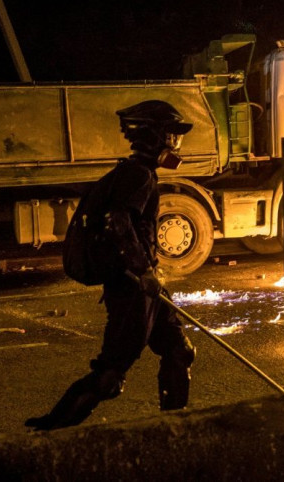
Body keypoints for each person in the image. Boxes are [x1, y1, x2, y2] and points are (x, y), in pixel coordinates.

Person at [26, 100, 196, 431]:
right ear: (155, 136)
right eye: (173, 134)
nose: (178, 141)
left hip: (144, 284)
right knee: (110, 375)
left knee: (179, 350)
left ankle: (177, 426)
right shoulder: (138, 175)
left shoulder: (134, 171)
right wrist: (143, 271)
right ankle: (49, 430)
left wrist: (149, 274)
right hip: (132, 287)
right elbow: (118, 222)